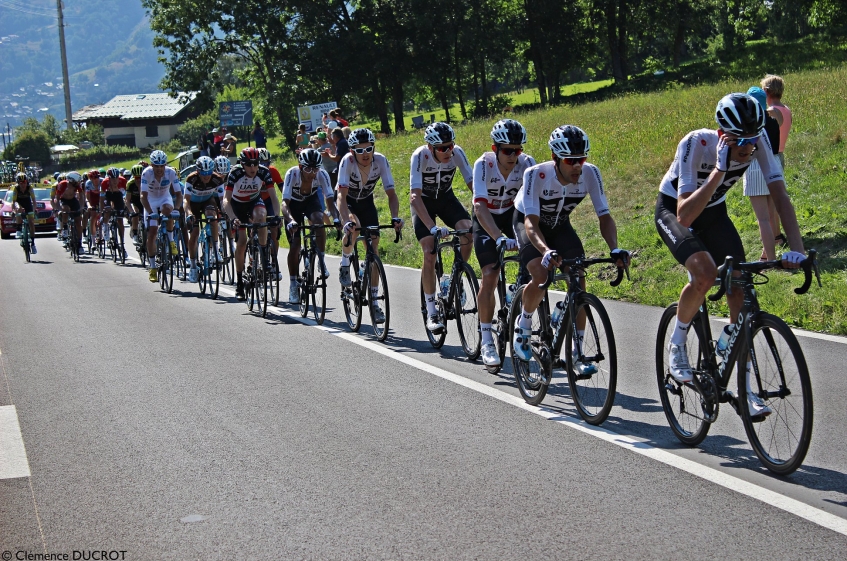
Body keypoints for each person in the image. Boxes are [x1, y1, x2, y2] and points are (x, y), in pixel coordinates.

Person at [654, 93, 806, 418]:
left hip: (714, 214)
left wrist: (797, 250)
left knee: (741, 284)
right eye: (741, 141)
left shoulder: (758, 140)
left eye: (753, 140)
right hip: (676, 210)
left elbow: (780, 196)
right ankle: (677, 345)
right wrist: (720, 171)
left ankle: (745, 385)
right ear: (723, 134)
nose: (749, 148)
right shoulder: (696, 143)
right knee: (705, 274)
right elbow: (684, 216)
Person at [511, 125, 628, 377]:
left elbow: (604, 216)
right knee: (540, 275)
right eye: (570, 160)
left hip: (560, 226)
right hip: (528, 223)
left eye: (581, 159)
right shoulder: (535, 174)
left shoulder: (590, 173)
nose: (577, 166)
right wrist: (545, 251)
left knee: (578, 279)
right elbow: (530, 223)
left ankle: (576, 354)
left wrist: (615, 248)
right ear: (555, 158)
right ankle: (524, 324)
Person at [472, 120, 536, 366]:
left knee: (532, 265)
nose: (513, 155)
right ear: (495, 148)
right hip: (486, 218)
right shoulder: (483, 165)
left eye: (517, 150)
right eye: (507, 150)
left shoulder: (527, 164)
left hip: (512, 216)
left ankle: (518, 296)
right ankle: (487, 339)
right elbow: (479, 206)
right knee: (490, 273)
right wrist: (498, 237)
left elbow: (532, 203)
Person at [410, 122, 474, 333]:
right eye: (442, 148)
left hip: (446, 198)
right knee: (430, 251)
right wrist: (432, 227)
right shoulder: (420, 156)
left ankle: (456, 278)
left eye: (450, 145)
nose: (448, 151)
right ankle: (431, 311)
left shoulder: (457, 153)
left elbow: (474, 186)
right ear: (430, 147)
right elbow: (414, 197)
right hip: (424, 202)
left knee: (467, 230)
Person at [336, 128, 403, 324]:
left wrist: (395, 217)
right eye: (360, 150)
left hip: (366, 202)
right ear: (352, 151)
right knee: (354, 226)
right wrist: (345, 219)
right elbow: (341, 196)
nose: (365, 154)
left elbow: (391, 193)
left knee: (374, 248)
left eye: (369, 149)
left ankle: (374, 301)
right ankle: (345, 262)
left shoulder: (380, 160)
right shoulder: (347, 162)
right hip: (347, 201)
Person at [281, 148, 341, 303]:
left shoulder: (322, 174)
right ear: (300, 167)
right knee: (295, 245)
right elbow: (284, 204)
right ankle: (293, 284)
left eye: (315, 169)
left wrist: (336, 219)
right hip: (293, 205)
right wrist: (291, 220)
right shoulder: (292, 174)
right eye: (307, 168)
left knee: (318, 219)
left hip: (310, 201)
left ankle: (320, 259)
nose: (312, 173)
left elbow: (330, 201)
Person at [222, 147, 279, 300]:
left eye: (255, 163)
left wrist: (276, 216)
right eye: (249, 164)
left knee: (262, 216)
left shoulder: (263, 172)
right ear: (242, 163)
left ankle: (264, 256)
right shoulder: (235, 173)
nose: (253, 168)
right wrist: (233, 217)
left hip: (254, 201)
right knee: (241, 242)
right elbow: (226, 199)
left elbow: (273, 197)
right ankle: (240, 281)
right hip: (237, 205)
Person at [742, 87, 782, 261]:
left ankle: (768, 256)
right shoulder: (773, 121)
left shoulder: (751, 123)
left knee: (762, 218)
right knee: (771, 213)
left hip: (756, 168)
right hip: (774, 166)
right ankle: (772, 247)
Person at [761, 74, 793, 247]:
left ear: (767, 91)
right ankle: (780, 232)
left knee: (770, 200)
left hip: (771, 157)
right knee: (777, 197)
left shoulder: (772, 112)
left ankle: (776, 235)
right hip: (780, 155)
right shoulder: (786, 109)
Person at [140, 150, 181, 283]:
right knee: (152, 233)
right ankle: (152, 267)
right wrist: (151, 212)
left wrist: (176, 209)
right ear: (152, 166)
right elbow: (143, 196)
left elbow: (179, 195)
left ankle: (171, 240)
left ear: (165, 165)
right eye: (156, 166)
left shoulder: (171, 172)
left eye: (161, 166)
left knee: (168, 212)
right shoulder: (146, 173)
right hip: (150, 201)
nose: (159, 169)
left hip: (164, 198)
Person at [183, 156, 226, 282]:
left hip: (208, 200)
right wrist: (189, 213)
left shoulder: (217, 179)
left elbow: (222, 199)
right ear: (198, 171)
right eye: (203, 173)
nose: (207, 176)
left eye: (209, 173)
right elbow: (186, 200)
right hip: (194, 204)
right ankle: (193, 266)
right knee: (194, 234)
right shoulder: (192, 178)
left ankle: (216, 250)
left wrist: (224, 212)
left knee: (213, 217)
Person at [99, 167, 128, 259]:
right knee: (107, 211)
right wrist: (102, 210)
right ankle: (106, 227)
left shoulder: (123, 181)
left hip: (118, 196)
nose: (115, 180)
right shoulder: (104, 183)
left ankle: (122, 243)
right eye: (113, 179)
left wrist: (126, 207)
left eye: (116, 178)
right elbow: (102, 199)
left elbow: (126, 196)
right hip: (108, 196)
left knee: (120, 220)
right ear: (109, 178)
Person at [56, 171, 86, 252]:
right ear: (72, 181)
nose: (79, 183)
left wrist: (81, 206)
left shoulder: (77, 185)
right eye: (77, 181)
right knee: (65, 210)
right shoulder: (62, 184)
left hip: (73, 200)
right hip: (64, 200)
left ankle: (79, 244)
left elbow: (81, 196)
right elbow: (57, 198)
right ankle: (65, 228)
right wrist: (59, 208)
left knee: (78, 221)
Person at [10, 171, 37, 254]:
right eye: (21, 183)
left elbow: (34, 201)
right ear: (18, 183)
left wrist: (34, 209)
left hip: (27, 202)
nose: (23, 184)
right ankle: (18, 228)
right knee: (18, 209)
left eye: (24, 182)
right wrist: (14, 210)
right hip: (19, 202)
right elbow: (13, 202)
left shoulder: (30, 188)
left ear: (27, 182)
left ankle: (32, 244)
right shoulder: (16, 188)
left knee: (31, 222)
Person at [125, 163, 147, 242]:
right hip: (134, 200)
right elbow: (127, 200)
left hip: (145, 199)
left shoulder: (147, 181)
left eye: (140, 177)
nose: (138, 179)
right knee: (136, 214)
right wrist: (131, 212)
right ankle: (135, 233)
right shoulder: (130, 184)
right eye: (136, 177)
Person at [84, 169, 103, 245]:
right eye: (94, 178)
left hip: (101, 197)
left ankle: (101, 236)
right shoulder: (88, 184)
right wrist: (89, 205)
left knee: (102, 217)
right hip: (92, 198)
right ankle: (93, 239)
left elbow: (106, 196)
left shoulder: (102, 181)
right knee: (93, 216)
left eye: (97, 177)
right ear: (91, 179)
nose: (96, 179)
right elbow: (87, 197)